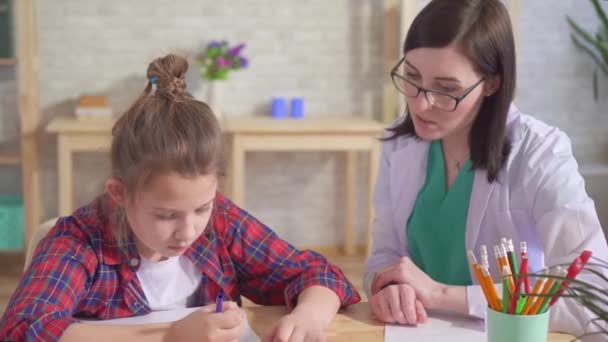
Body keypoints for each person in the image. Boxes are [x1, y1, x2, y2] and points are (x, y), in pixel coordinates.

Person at [0, 54, 360, 342]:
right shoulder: (79, 241)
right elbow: (23, 328)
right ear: (120, 194)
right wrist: (169, 334)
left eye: (201, 207)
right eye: (166, 215)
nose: (188, 232)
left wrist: (307, 316)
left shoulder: (221, 222)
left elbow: (317, 273)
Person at [364, 0, 608, 336]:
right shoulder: (399, 145)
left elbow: (595, 295)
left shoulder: (540, 153)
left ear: (491, 83)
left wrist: (444, 296)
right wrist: (389, 290)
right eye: (412, 77)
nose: (420, 105)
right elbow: (383, 259)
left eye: (446, 89)